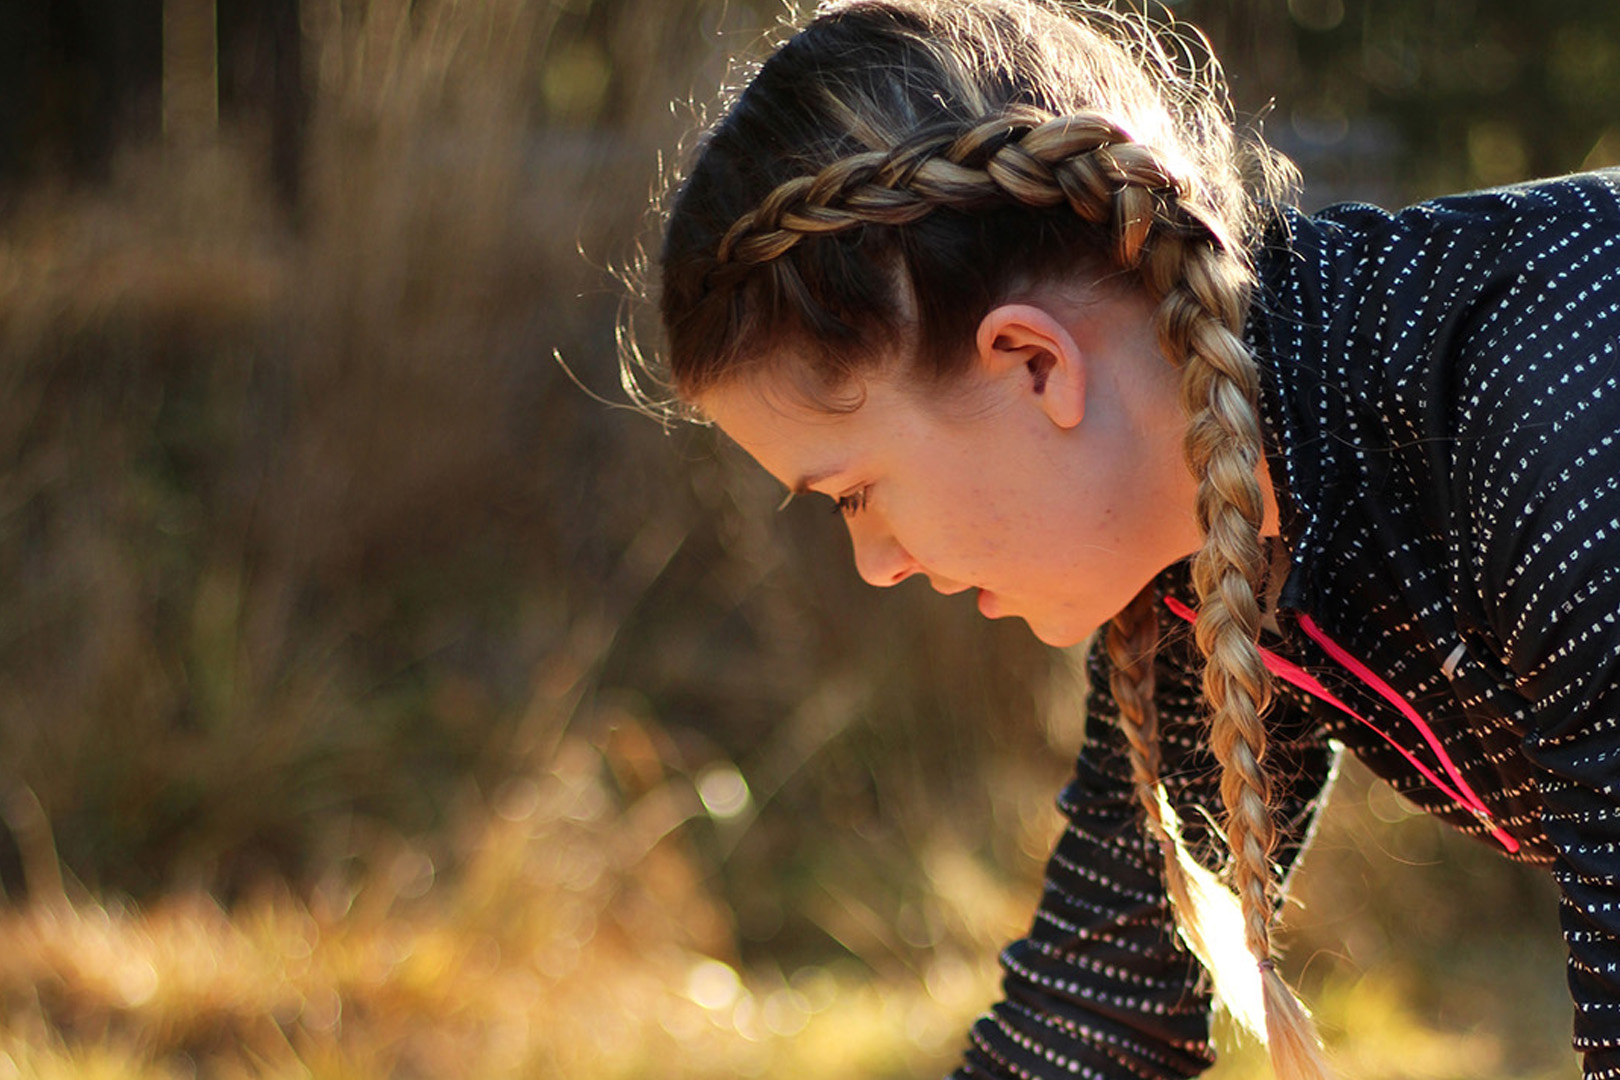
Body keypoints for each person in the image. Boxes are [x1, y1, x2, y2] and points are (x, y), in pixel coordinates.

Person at [630, 1, 1620, 1077]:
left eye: (855, 493)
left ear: (1034, 365)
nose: (877, 564)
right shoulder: (1204, 544)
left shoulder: (1552, 414)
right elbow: (1092, 1024)